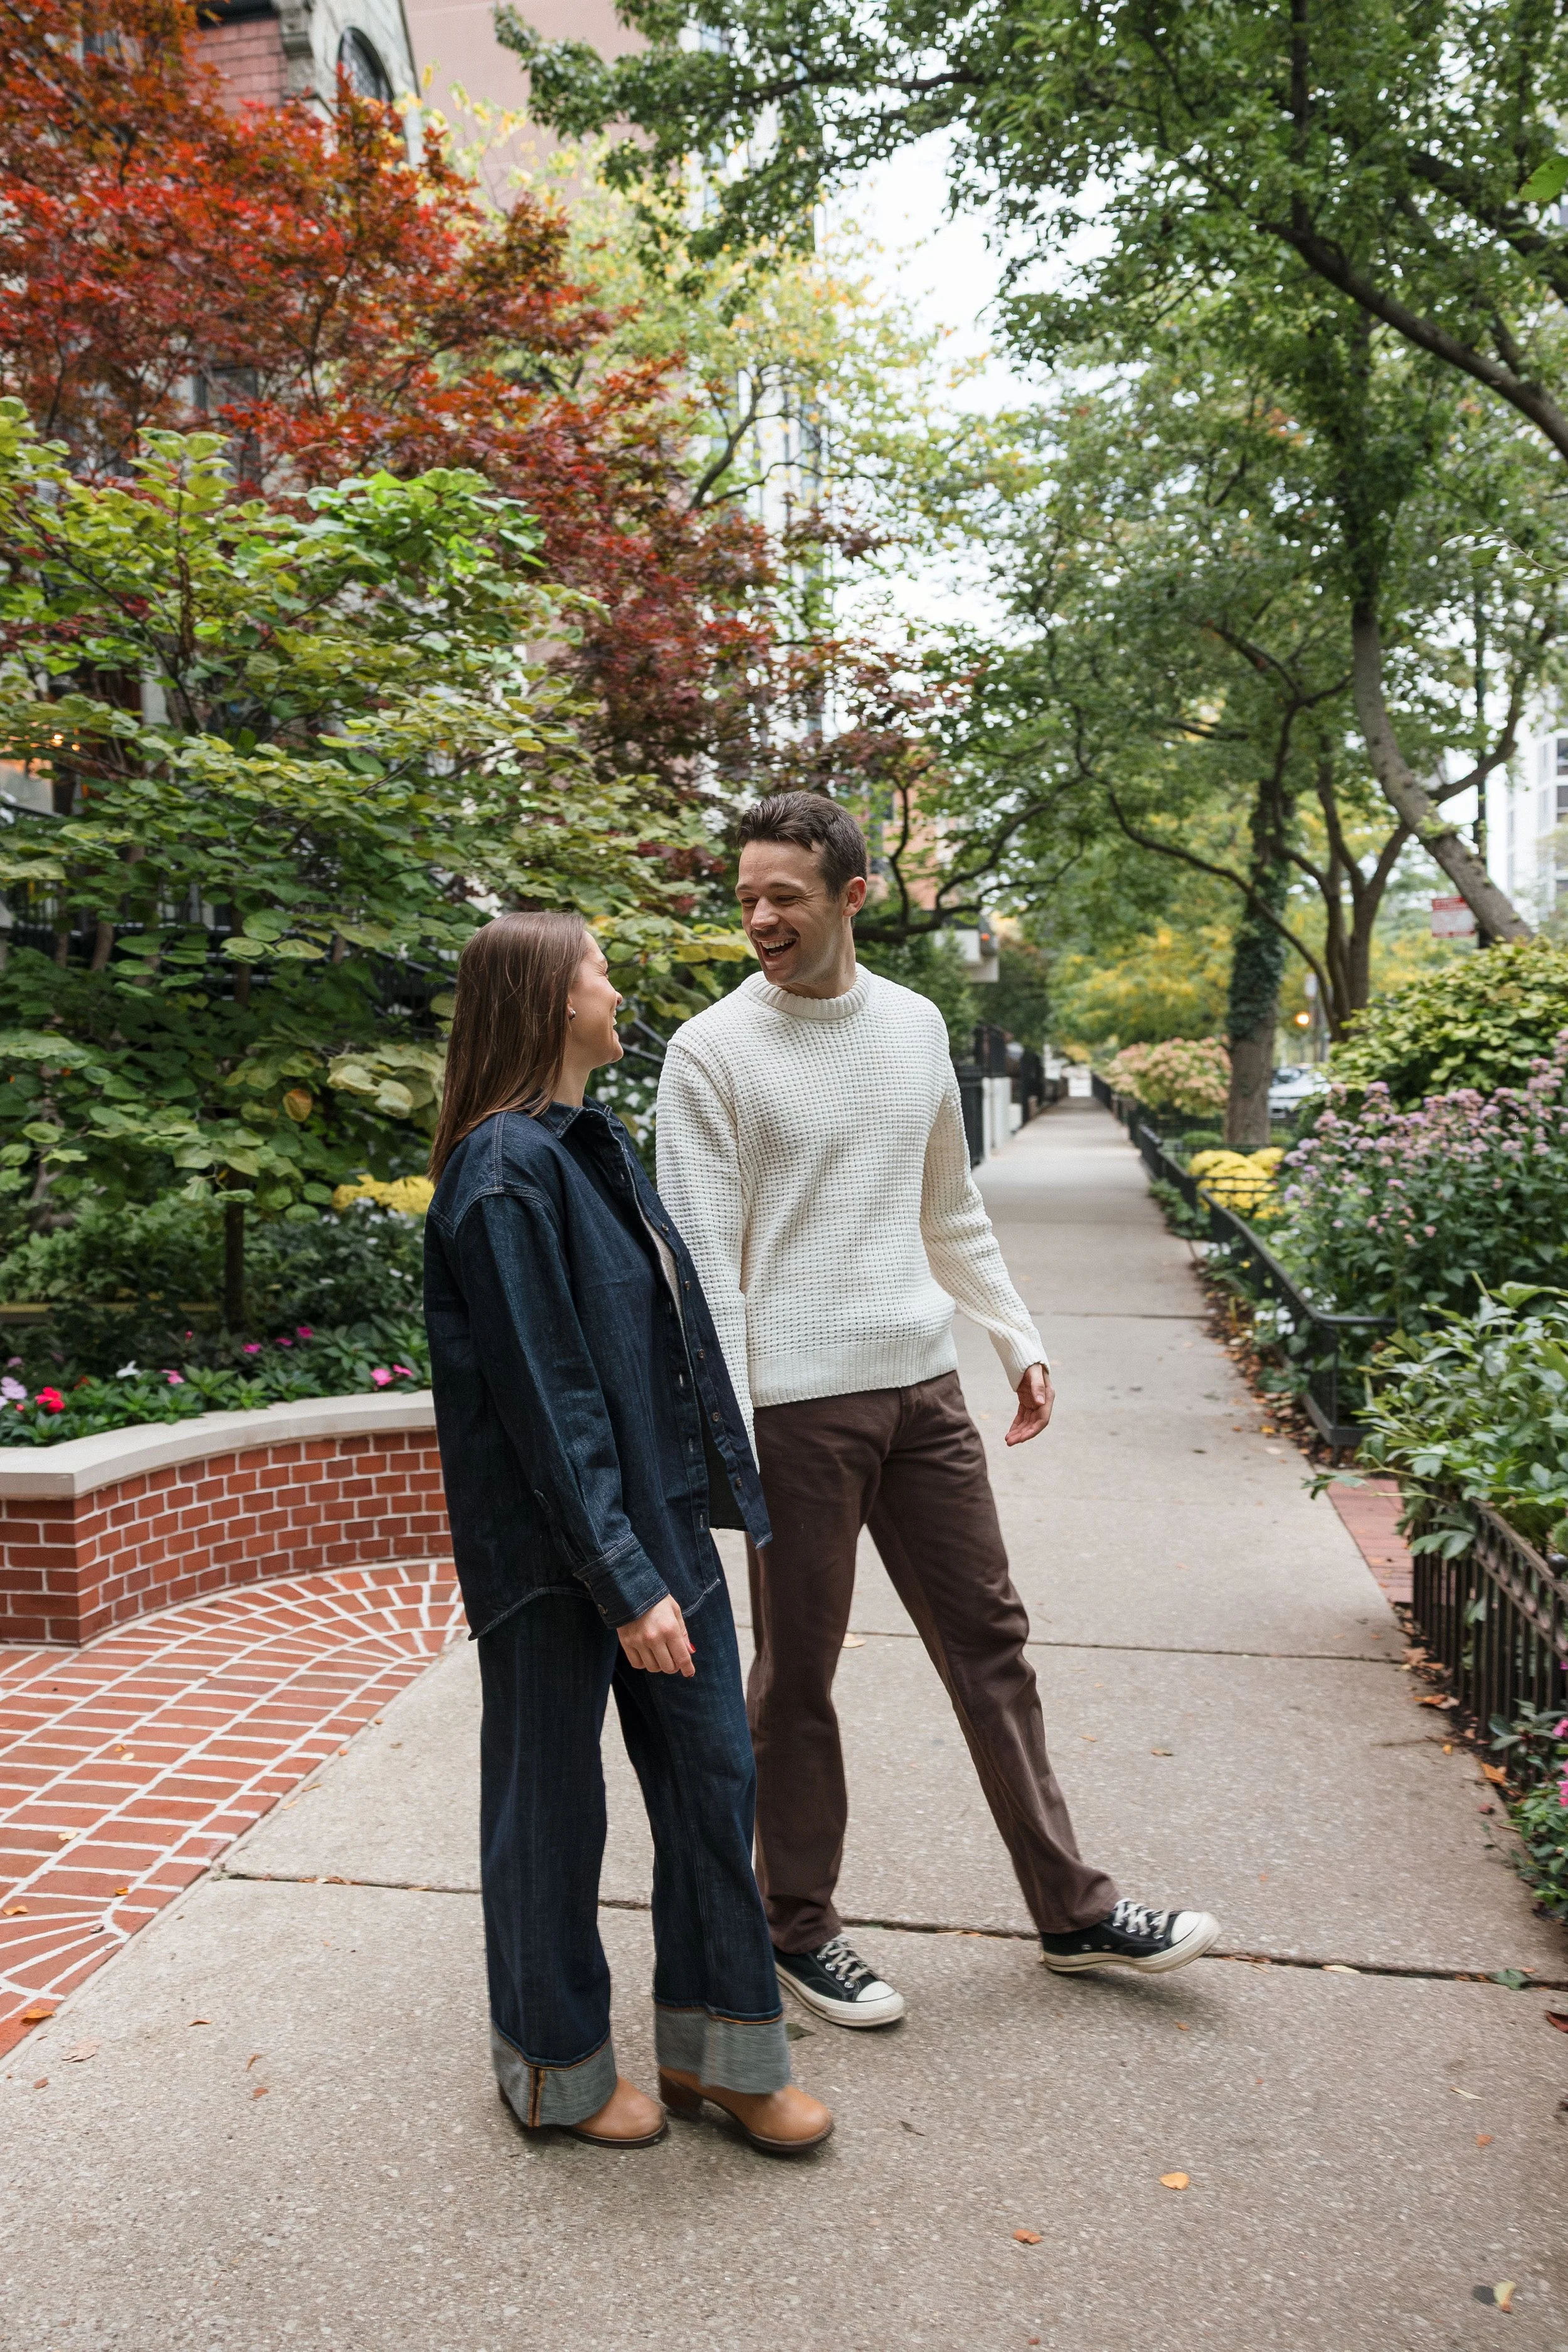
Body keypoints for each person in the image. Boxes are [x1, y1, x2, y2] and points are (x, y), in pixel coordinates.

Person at [655, 794, 1219, 2030]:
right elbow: (699, 1271)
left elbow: (947, 1207)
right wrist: (732, 1450)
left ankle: (1072, 1911)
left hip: (920, 1391)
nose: (757, 917)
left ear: (851, 894)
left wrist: (1013, 1337)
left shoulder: (912, 1026)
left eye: (783, 896)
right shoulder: (709, 1053)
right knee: (794, 1676)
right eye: (744, 894)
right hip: (793, 1415)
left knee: (991, 1642)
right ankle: (795, 1928)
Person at [424, 910, 832, 2151]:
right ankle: (557, 2073)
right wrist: (620, 1578)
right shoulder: (501, 1176)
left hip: (654, 1534)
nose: (615, 988)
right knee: (552, 1811)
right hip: (562, 1561)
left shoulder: (587, 1146)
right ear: (551, 1000)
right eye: (597, 969)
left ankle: (722, 2058)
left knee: (714, 1783)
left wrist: (672, 1542)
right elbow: (549, 1400)